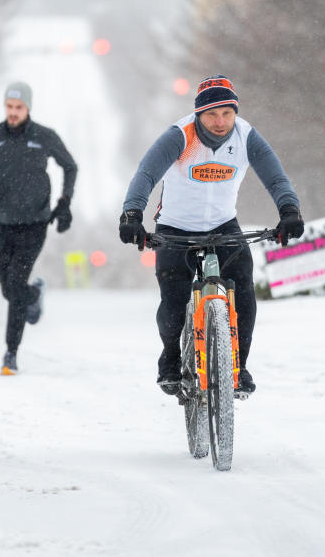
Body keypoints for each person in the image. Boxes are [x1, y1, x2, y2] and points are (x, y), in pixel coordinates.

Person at [118, 75, 304, 395]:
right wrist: (132, 214)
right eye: (212, 115)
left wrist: (290, 211)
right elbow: (146, 175)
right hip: (176, 228)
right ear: (198, 115)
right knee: (174, 299)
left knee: (243, 286)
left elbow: (276, 178)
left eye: (227, 114)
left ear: (235, 113)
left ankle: (239, 366)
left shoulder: (246, 137)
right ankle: (171, 359)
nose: (220, 122)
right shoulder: (180, 136)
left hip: (223, 226)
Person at [0, 81, 77, 375]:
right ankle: (34, 294)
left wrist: (64, 202)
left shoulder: (44, 136)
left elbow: (70, 166)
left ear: (28, 107)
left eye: (19, 108)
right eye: (9, 107)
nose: (13, 113)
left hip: (35, 223)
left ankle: (10, 354)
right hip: (0, 223)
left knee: (15, 286)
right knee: (8, 289)